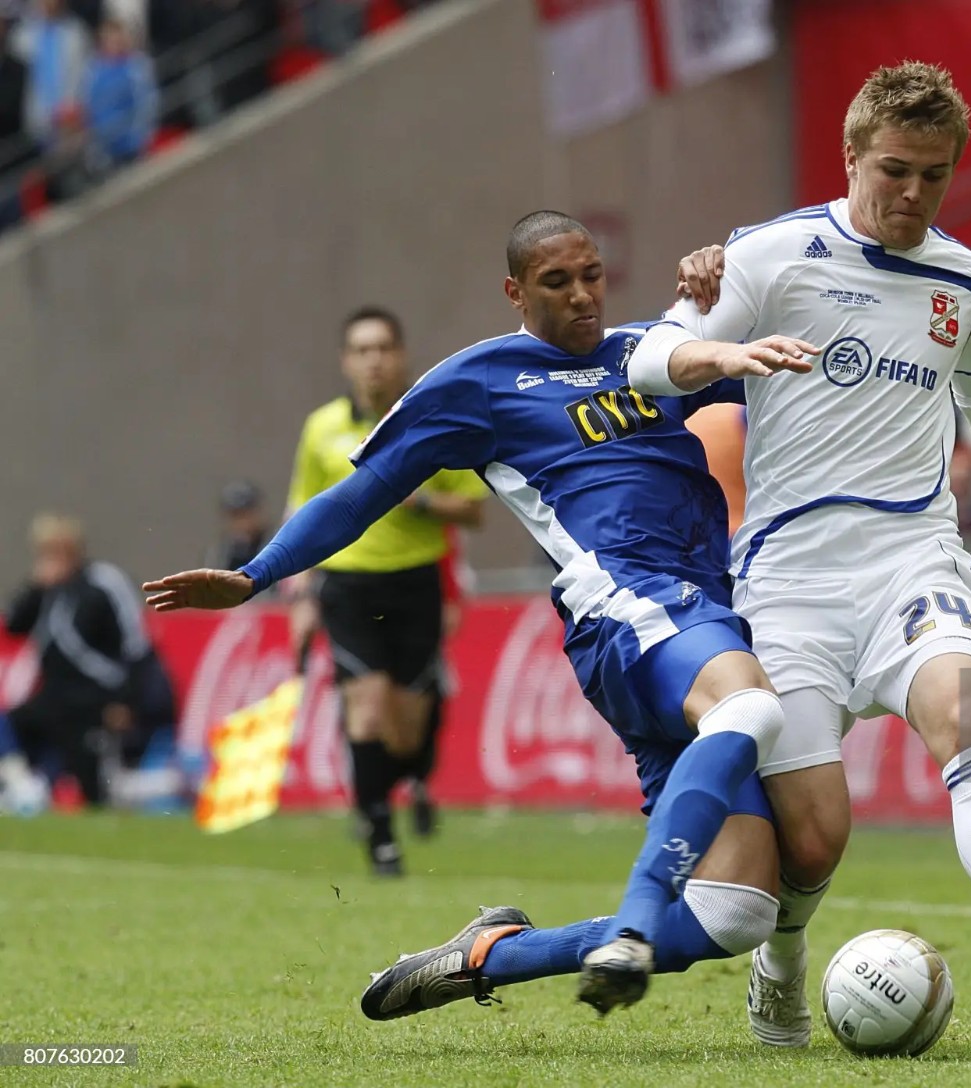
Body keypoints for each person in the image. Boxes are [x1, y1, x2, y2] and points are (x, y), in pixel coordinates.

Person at [144, 210, 814, 1018]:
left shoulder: (653, 353)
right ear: (515, 291)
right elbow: (364, 492)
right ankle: (633, 922)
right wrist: (255, 575)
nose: (582, 297)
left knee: (732, 913)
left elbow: (794, 358)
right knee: (747, 704)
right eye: (556, 283)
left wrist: (729, 267)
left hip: (701, 615)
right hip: (625, 608)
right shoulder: (479, 380)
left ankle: (492, 954)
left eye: (592, 276)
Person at [630, 61, 971, 1044]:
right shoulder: (769, 257)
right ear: (851, 156)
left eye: (933, 176)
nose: (912, 194)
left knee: (962, 717)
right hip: (789, 579)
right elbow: (647, 357)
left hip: (911, 557)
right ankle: (780, 966)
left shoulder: (961, 280)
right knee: (813, 836)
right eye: (894, 169)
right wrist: (722, 353)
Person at [282, 305, 488, 876]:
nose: (373, 361)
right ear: (347, 362)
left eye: (383, 349)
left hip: (417, 582)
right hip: (347, 584)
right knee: (366, 712)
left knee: (407, 728)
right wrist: (298, 593)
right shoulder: (322, 428)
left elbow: (473, 511)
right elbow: (303, 509)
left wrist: (416, 500)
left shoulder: (431, 420)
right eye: (362, 350)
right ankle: (379, 833)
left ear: (400, 356)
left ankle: (416, 779)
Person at [1, 513, 159, 807]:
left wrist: (125, 700)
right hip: (53, 696)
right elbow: (14, 626)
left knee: (95, 791)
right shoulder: (47, 590)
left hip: (94, 699)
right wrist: (35, 586)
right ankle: (23, 787)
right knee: (9, 726)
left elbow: (135, 645)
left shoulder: (102, 581)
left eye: (57, 550)